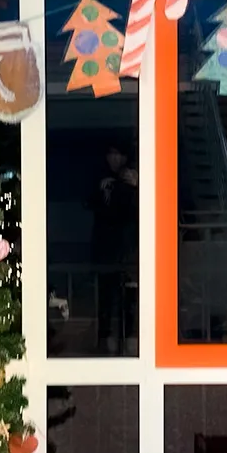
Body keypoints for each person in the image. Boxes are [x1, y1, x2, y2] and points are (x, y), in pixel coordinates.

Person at [90, 143, 138, 354]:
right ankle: (105, 339)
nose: (113, 159)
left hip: (127, 249)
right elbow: (91, 205)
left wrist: (136, 186)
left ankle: (128, 339)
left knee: (129, 296)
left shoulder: (132, 181)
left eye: (117, 154)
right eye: (110, 154)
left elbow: (133, 212)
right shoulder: (101, 179)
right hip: (106, 248)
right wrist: (103, 189)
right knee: (106, 296)